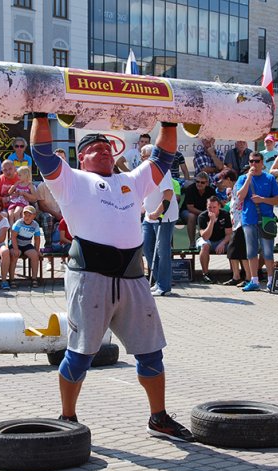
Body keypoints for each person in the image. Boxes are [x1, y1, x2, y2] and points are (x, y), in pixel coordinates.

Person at [30, 113, 194, 443]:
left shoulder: (131, 181)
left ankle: (158, 417)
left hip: (133, 278)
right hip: (90, 277)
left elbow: (164, 157)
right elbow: (43, 154)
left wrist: (172, 121)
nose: (104, 151)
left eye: (108, 147)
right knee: (79, 355)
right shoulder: (71, 180)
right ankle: (67, 417)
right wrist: (40, 112)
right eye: (96, 148)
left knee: (151, 353)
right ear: (81, 157)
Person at [235, 151, 278, 292]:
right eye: (251, 161)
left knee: (267, 251)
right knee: (251, 251)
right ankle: (253, 280)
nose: (253, 164)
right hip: (249, 219)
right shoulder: (243, 178)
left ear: (262, 163)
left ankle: (270, 280)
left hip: (266, 220)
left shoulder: (270, 178)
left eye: (256, 161)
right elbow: (240, 197)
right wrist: (249, 178)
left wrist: (262, 199)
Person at [141, 144, 179, 296]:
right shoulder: (144, 172)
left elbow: (168, 194)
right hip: (148, 216)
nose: (142, 159)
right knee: (146, 247)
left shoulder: (163, 171)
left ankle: (164, 287)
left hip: (164, 216)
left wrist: (157, 212)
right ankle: (158, 281)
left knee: (162, 250)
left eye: (144, 156)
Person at [197, 196, 232, 284]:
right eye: (209, 207)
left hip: (221, 239)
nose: (212, 210)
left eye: (214, 207)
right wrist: (212, 221)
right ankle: (205, 274)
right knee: (204, 246)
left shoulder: (225, 214)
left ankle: (234, 273)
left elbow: (229, 234)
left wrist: (223, 243)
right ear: (206, 206)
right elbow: (205, 237)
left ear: (219, 206)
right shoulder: (202, 216)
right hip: (207, 240)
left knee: (233, 245)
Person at [179, 172, 216, 248]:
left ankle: (209, 241)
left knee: (212, 215)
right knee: (192, 216)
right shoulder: (190, 189)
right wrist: (203, 213)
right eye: (197, 181)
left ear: (207, 183)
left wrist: (206, 214)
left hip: (204, 212)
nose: (199, 184)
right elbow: (190, 208)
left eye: (202, 182)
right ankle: (192, 244)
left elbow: (213, 205)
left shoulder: (211, 191)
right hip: (187, 211)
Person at [9, 205, 42, 288]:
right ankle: (11, 279)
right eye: (25, 214)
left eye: (29, 215)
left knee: (35, 256)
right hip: (16, 243)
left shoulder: (35, 225)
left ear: (34, 216)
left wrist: (37, 250)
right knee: (15, 255)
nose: (26, 217)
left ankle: (34, 278)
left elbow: (37, 238)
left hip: (27, 244)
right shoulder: (19, 223)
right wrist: (15, 249)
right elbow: (13, 236)